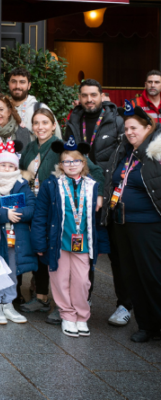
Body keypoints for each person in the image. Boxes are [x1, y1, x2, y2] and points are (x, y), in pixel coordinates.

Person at [19, 107, 106, 319]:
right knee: (41, 250)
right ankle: (41, 297)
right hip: (36, 205)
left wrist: (100, 195)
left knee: (61, 255)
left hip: (60, 208)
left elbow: (93, 170)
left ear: (53, 125)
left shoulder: (60, 148)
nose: (40, 127)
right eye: (36, 123)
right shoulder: (30, 147)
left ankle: (64, 305)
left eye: (45, 123)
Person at [65, 78, 127, 325]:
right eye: (84, 95)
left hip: (110, 197)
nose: (89, 99)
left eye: (93, 95)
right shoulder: (73, 121)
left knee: (117, 254)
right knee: (84, 251)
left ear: (103, 96)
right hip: (80, 196)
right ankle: (83, 299)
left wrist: (106, 189)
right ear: (79, 98)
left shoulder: (117, 122)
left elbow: (122, 159)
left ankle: (124, 304)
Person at [102, 101, 161, 343]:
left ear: (148, 128)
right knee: (132, 277)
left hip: (148, 226)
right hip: (122, 225)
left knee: (153, 276)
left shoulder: (155, 152)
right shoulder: (126, 152)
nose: (129, 132)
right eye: (126, 128)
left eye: (134, 128)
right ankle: (146, 326)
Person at [31, 137, 102, 338]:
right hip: (58, 243)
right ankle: (67, 315)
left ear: (83, 163)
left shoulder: (92, 186)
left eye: (76, 160)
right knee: (60, 280)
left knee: (82, 281)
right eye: (66, 161)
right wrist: (39, 242)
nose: (71, 165)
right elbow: (40, 215)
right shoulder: (51, 185)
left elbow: (97, 221)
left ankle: (81, 315)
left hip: (83, 244)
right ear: (61, 165)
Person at [0, 141, 33, 326]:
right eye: (2, 165)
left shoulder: (22, 184)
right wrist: (5, 214)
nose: (6, 168)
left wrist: (17, 215)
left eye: (10, 165)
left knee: (12, 270)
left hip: (16, 236)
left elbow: (31, 208)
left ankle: (9, 303)